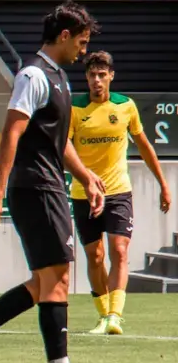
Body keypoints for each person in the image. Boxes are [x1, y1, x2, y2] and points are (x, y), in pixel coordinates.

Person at [0, 0, 112, 363]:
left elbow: (57, 140)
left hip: (48, 185)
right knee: (57, 280)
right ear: (64, 36)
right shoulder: (33, 75)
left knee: (43, 283)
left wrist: (85, 175)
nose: (83, 52)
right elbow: (11, 133)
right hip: (35, 188)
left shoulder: (58, 78)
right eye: (82, 43)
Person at [69, 50, 171, 335]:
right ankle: (103, 315)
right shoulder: (74, 109)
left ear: (111, 76)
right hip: (83, 193)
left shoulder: (126, 106)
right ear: (86, 78)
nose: (97, 80)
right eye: (92, 75)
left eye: (102, 75)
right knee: (96, 256)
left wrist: (163, 184)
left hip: (118, 192)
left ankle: (115, 315)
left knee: (119, 250)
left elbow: (144, 146)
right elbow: (63, 149)